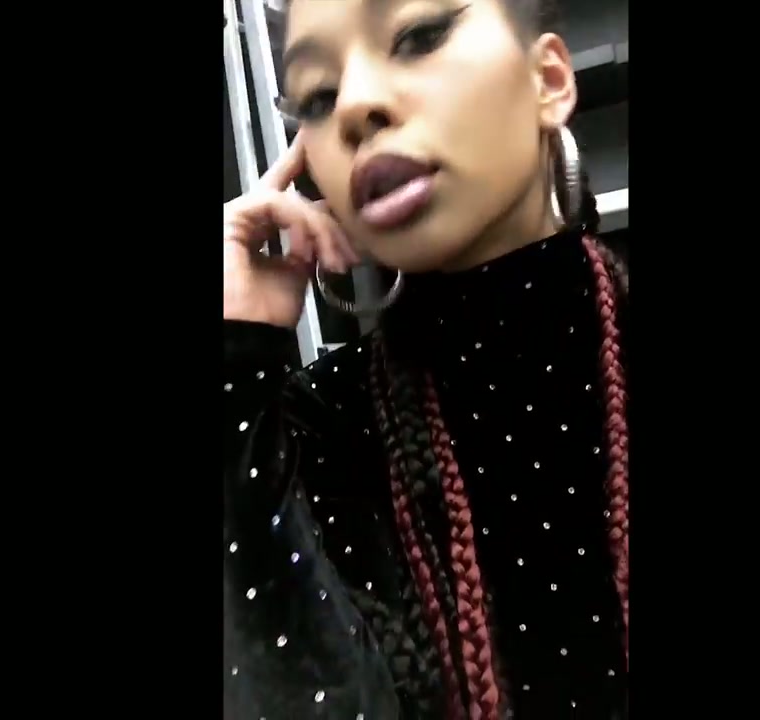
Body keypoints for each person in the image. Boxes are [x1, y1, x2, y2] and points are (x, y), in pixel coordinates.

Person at [223, 1, 629, 717]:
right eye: (318, 96)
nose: (356, 107)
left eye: (418, 36)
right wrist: (234, 364)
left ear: (548, 80)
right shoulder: (318, 432)